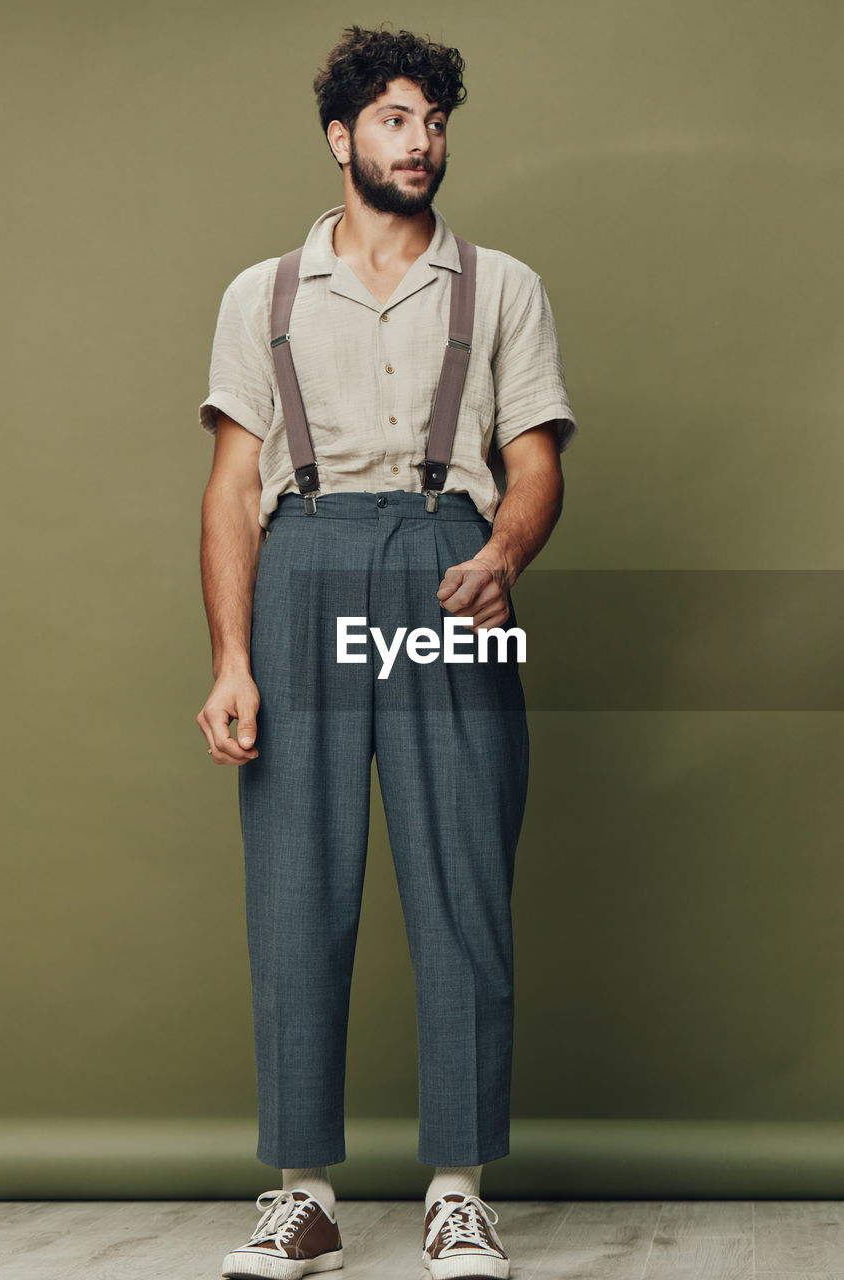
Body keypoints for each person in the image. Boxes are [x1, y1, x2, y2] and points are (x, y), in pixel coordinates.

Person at [196, 24, 577, 1280]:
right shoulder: (262, 294)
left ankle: (456, 1189)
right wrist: (231, 659)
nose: (424, 141)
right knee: (296, 885)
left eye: (435, 121)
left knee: (461, 871)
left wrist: (504, 555)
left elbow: (534, 462)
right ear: (340, 136)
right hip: (301, 562)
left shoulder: (501, 285)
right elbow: (230, 484)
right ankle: (301, 1188)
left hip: (444, 566)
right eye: (399, 119)